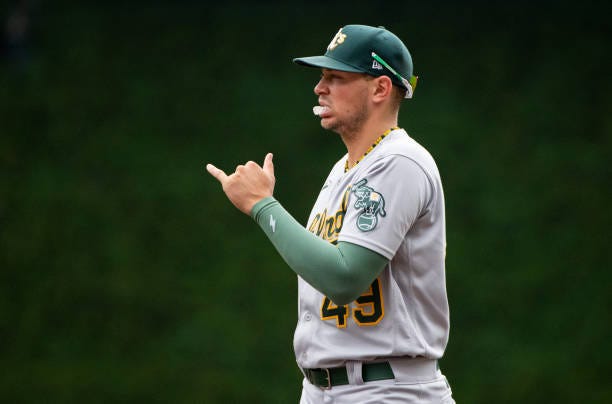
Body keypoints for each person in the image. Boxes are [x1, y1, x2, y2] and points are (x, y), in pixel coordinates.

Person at [206, 24, 454, 403]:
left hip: (388, 390)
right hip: (327, 389)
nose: (319, 88)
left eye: (335, 77)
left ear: (380, 88)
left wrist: (262, 205)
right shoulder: (345, 169)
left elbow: (344, 278)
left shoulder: (399, 162)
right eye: (322, 77)